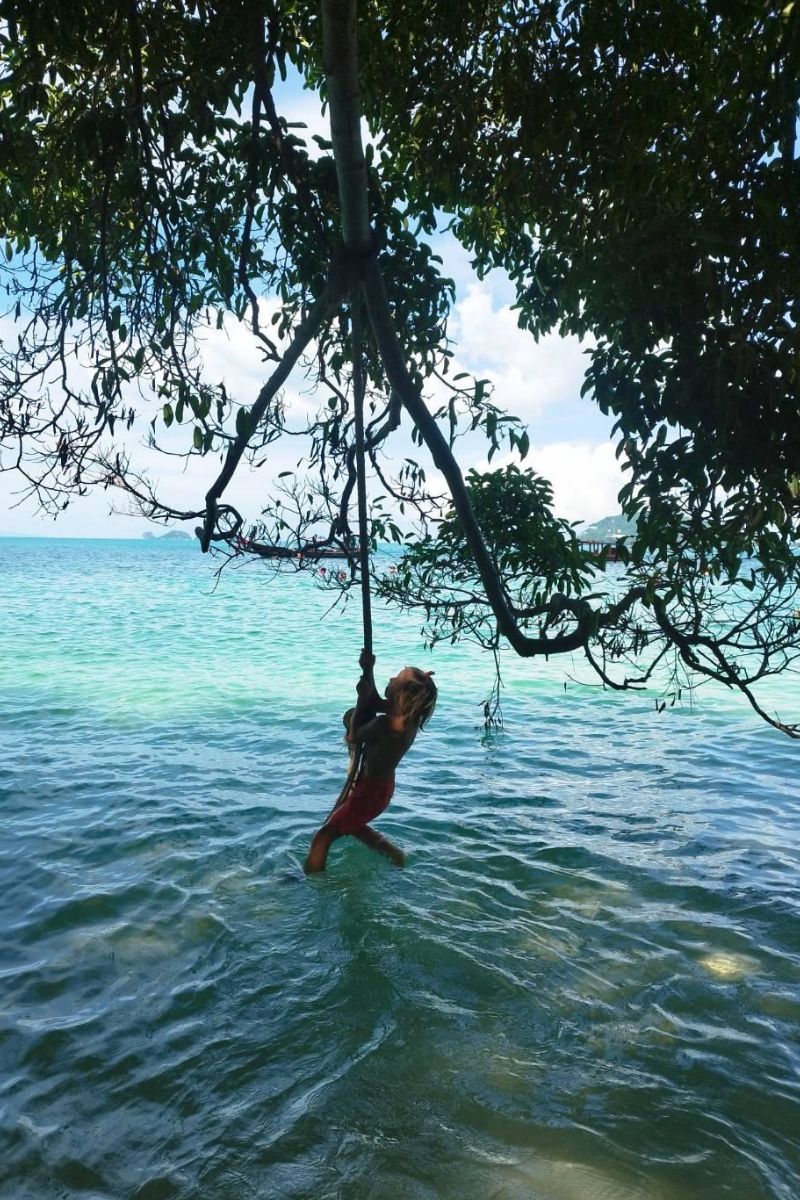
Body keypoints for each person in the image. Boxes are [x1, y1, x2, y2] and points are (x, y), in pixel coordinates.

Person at [303, 651, 437, 873]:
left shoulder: (387, 724)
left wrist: (360, 699)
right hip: (379, 790)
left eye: (397, 678)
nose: (392, 679)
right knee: (353, 826)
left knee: (323, 836)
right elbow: (374, 701)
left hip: (370, 792)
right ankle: (395, 855)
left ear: (403, 695)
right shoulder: (404, 719)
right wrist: (368, 668)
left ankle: (309, 881)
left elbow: (353, 736)